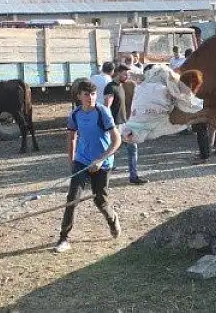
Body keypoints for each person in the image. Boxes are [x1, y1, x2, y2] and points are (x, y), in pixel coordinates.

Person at [55, 80, 122, 253]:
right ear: (79, 96)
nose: (90, 98)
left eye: (93, 94)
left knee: (100, 200)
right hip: (82, 161)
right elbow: (71, 138)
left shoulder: (103, 112)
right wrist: (72, 162)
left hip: (103, 163)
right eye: (86, 94)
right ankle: (64, 238)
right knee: (72, 199)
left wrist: (100, 160)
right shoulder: (75, 114)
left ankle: (112, 219)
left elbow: (117, 140)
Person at [104, 64, 147, 185]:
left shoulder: (121, 86)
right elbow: (107, 107)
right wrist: (110, 126)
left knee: (132, 148)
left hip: (124, 124)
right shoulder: (110, 87)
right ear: (117, 73)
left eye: (127, 74)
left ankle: (134, 176)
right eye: (125, 74)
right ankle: (99, 177)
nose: (127, 76)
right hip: (115, 125)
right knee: (110, 151)